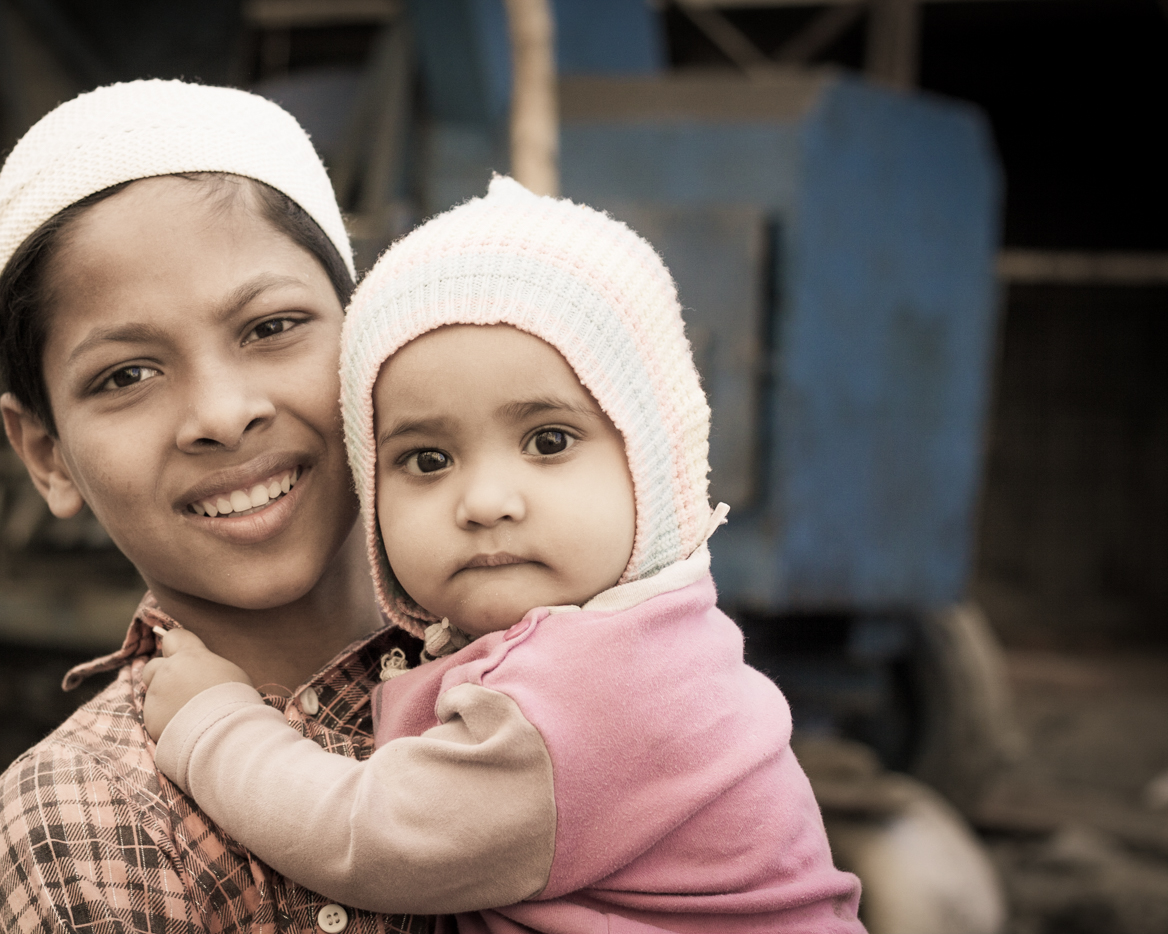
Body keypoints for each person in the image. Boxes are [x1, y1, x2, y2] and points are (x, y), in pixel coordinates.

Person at [141, 177, 866, 933]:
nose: (485, 500)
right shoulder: (649, 632)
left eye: (548, 442)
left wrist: (210, 721)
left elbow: (365, 836)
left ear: (650, 460)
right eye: (426, 459)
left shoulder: (592, 692)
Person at [0, 78, 433, 934]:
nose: (221, 414)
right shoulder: (82, 827)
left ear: (370, 332)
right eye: (126, 375)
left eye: (271, 327)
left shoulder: (554, 652)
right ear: (46, 455)